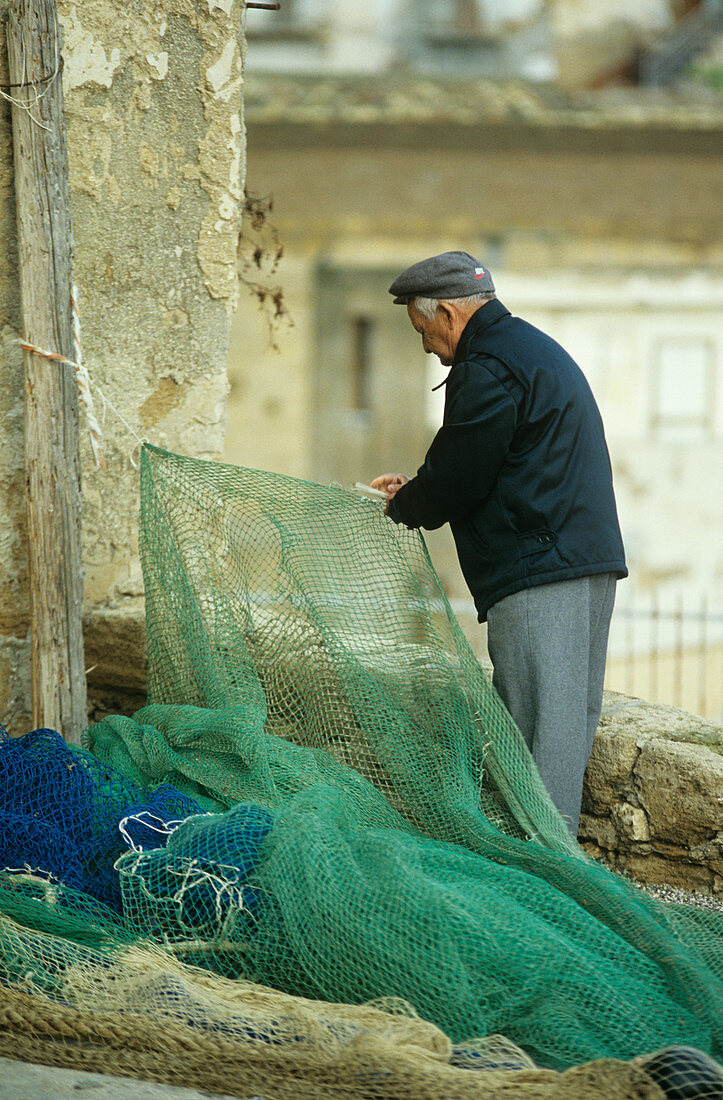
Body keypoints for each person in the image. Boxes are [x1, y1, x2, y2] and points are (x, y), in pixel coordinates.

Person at [371, 251, 627, 835]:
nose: (427, 347)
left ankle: (541, 868)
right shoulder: (528, 347)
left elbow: (462, 473)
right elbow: (495, 459)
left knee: (539, 726)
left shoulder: (484, 366)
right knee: (568, 720)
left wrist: (406, 504)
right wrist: (423, 485)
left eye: (424, 331)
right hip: (584, 560)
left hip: (539, 568)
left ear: (449, 315)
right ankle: (552, 858)